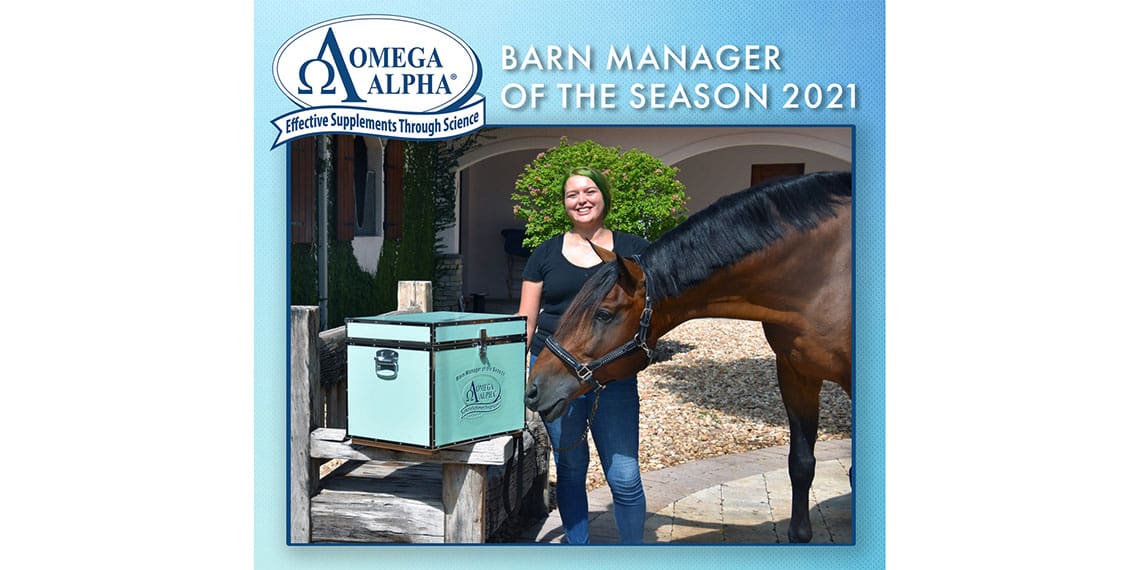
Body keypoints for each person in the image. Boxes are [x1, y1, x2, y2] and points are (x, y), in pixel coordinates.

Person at [517, 166, 649, 544]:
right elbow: (525, 321)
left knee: (625, 476)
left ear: (604, 196)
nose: (581, 200)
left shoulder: (634, 251)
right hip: (557, 371)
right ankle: (580, 553)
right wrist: (511, 371)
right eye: (572, 194)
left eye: (590, 191)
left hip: (612, 376)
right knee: (571, 469)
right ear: (564, 204)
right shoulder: (544, 253)